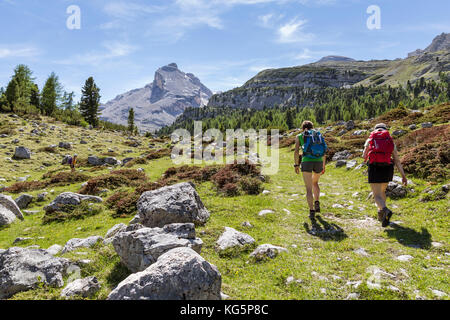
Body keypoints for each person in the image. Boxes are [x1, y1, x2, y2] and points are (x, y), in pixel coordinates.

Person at [362, 123, 407, 227]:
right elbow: (397, 159)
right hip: (387, 168)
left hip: (374, 167)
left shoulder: (370, 139)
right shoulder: (389, 140)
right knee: (382, 191)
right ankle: (381, 214)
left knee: (376, 194)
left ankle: (385, 210)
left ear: (375, 130)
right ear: (386, 130)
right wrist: (403, 176)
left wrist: (368, 157)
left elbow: (364, 155)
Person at [294, 121, 328, 219]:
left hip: (306, 161)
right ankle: (317, 202)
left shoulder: (299, 136)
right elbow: (324, 151)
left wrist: (296, 165)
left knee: (308, 189)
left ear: (303, 128)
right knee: (315, 183)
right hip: (318, 161)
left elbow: (296, 151)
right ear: (312, 127)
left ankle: (311, 210)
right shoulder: (318, 135)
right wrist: (323, 165)